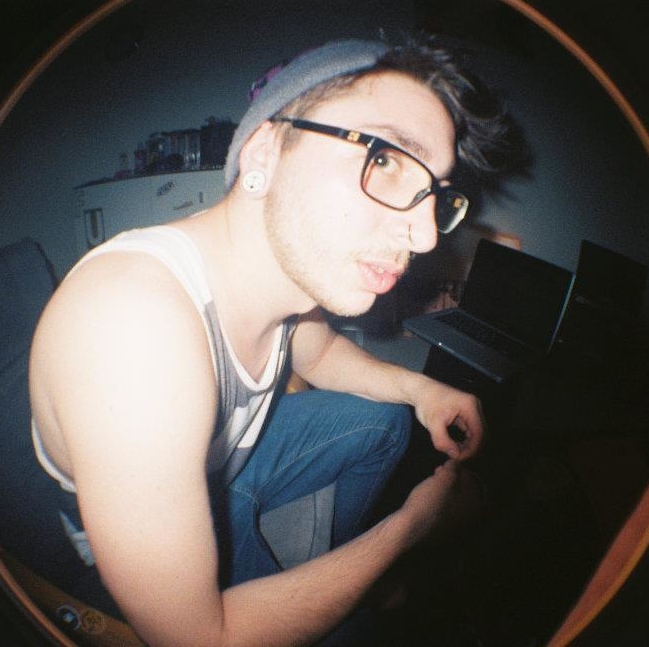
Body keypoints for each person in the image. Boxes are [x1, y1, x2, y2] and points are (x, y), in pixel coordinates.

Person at [28, 37, 525, 645]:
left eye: (435, 194)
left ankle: (331, 573)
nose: (424, 237)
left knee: (387, 422)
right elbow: (197, 640)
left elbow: (320, 352)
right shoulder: (132, 326)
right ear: (265, 150)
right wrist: (411, 528)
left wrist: (424, 392)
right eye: (386, 159)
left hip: (221, 463)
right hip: (146, 561)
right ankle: (349, 590)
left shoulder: (288, 276)